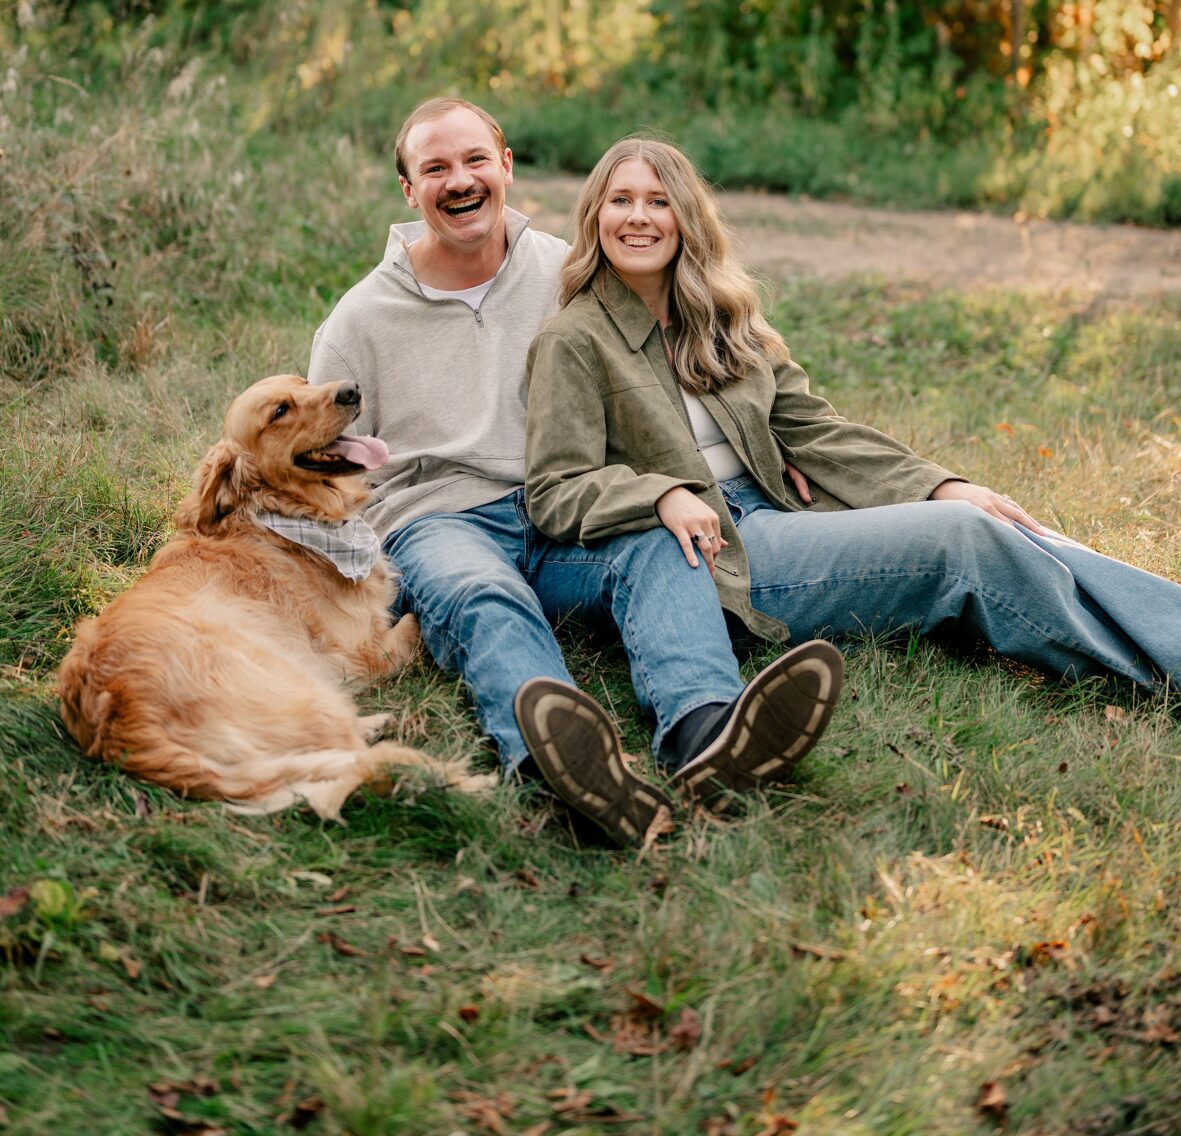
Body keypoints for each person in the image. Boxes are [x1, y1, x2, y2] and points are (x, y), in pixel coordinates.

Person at [307, 95, 843, 846]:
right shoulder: (360, 319)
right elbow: (320, 458)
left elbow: (675, 347)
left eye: (473, 161)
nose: (458, 180)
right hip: (441, 519)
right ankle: (563, 768)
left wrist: (761, 439)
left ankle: (707, 735)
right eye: (434, 169)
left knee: (663, 540)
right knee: (481, 593)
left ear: (505, 167)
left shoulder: (567, 271)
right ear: (408, 191)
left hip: (563, 506)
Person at [525, 135, 1181, 718]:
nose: (638, 217)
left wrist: (935, 484)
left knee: (998, 523)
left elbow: (813, 429)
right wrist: (658, 494)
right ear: (595, 216)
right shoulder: (575, 339)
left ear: (686, 219)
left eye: (658, 201)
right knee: (963, 542)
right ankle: (1161, 668)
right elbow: (555, 488)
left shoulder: (721, 320)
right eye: (620, 200)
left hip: (776, 513)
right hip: (721, 552)